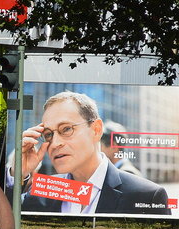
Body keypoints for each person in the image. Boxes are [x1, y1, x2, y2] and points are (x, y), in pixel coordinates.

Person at [18, 91, 170, 215]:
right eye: (49, 134)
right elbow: (0, 226)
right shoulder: (44, 189)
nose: (55, 143)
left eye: (66, 129)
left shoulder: (148, 196)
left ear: (96, 130)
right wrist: (20, 172)